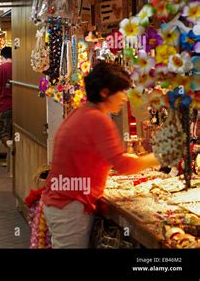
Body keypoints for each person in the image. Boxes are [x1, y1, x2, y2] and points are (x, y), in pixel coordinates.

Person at [41, 62, 159, 248]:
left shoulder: (82, 112)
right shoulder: (97, 119)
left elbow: (109, 157)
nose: (125, 98)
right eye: (121, 91)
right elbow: (123, 165)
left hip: (62, 200)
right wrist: (160, 157)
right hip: (69, 205)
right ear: (105, 92)